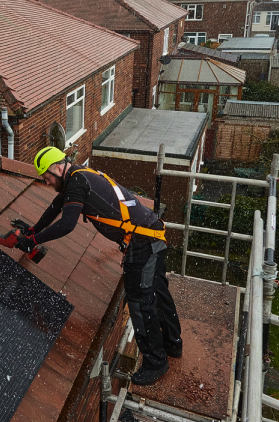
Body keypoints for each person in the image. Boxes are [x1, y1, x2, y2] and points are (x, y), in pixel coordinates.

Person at [21, 146, 182, 385]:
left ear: (57, 168)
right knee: (158, 291)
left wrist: (33, 241)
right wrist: (32, 231)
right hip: (152, 234)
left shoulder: (76, 182)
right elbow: (55, 208)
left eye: (47, 178)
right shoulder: (79, 175)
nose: (47, 182)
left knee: (140, 301)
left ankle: (156, 362)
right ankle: (172, 344)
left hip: (142, 243)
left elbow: (66, 225)